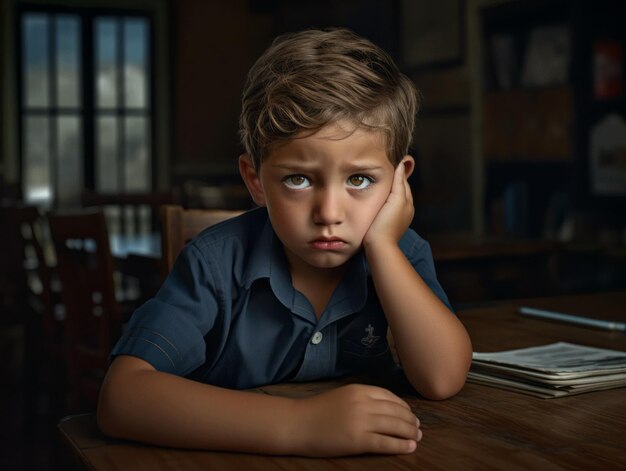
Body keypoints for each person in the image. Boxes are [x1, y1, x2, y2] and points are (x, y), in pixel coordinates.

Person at [97, 27, 472, 457]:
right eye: (298, 179)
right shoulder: (215, 263)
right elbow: (120, 398)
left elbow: (442, 379)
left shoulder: (402, 253)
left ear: (399, 182)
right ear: (256, 181)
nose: (329, 212)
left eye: (360, 180)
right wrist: (300, 425)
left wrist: (384, 248)